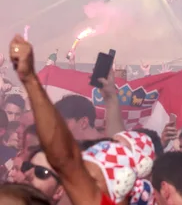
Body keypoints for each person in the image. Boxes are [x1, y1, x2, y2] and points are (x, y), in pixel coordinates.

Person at [9, 34, 136, 205]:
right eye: (26, 167)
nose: (28, 174)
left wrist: (111, 99)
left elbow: (120, 153)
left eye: (42, 172)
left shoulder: (100, 156)